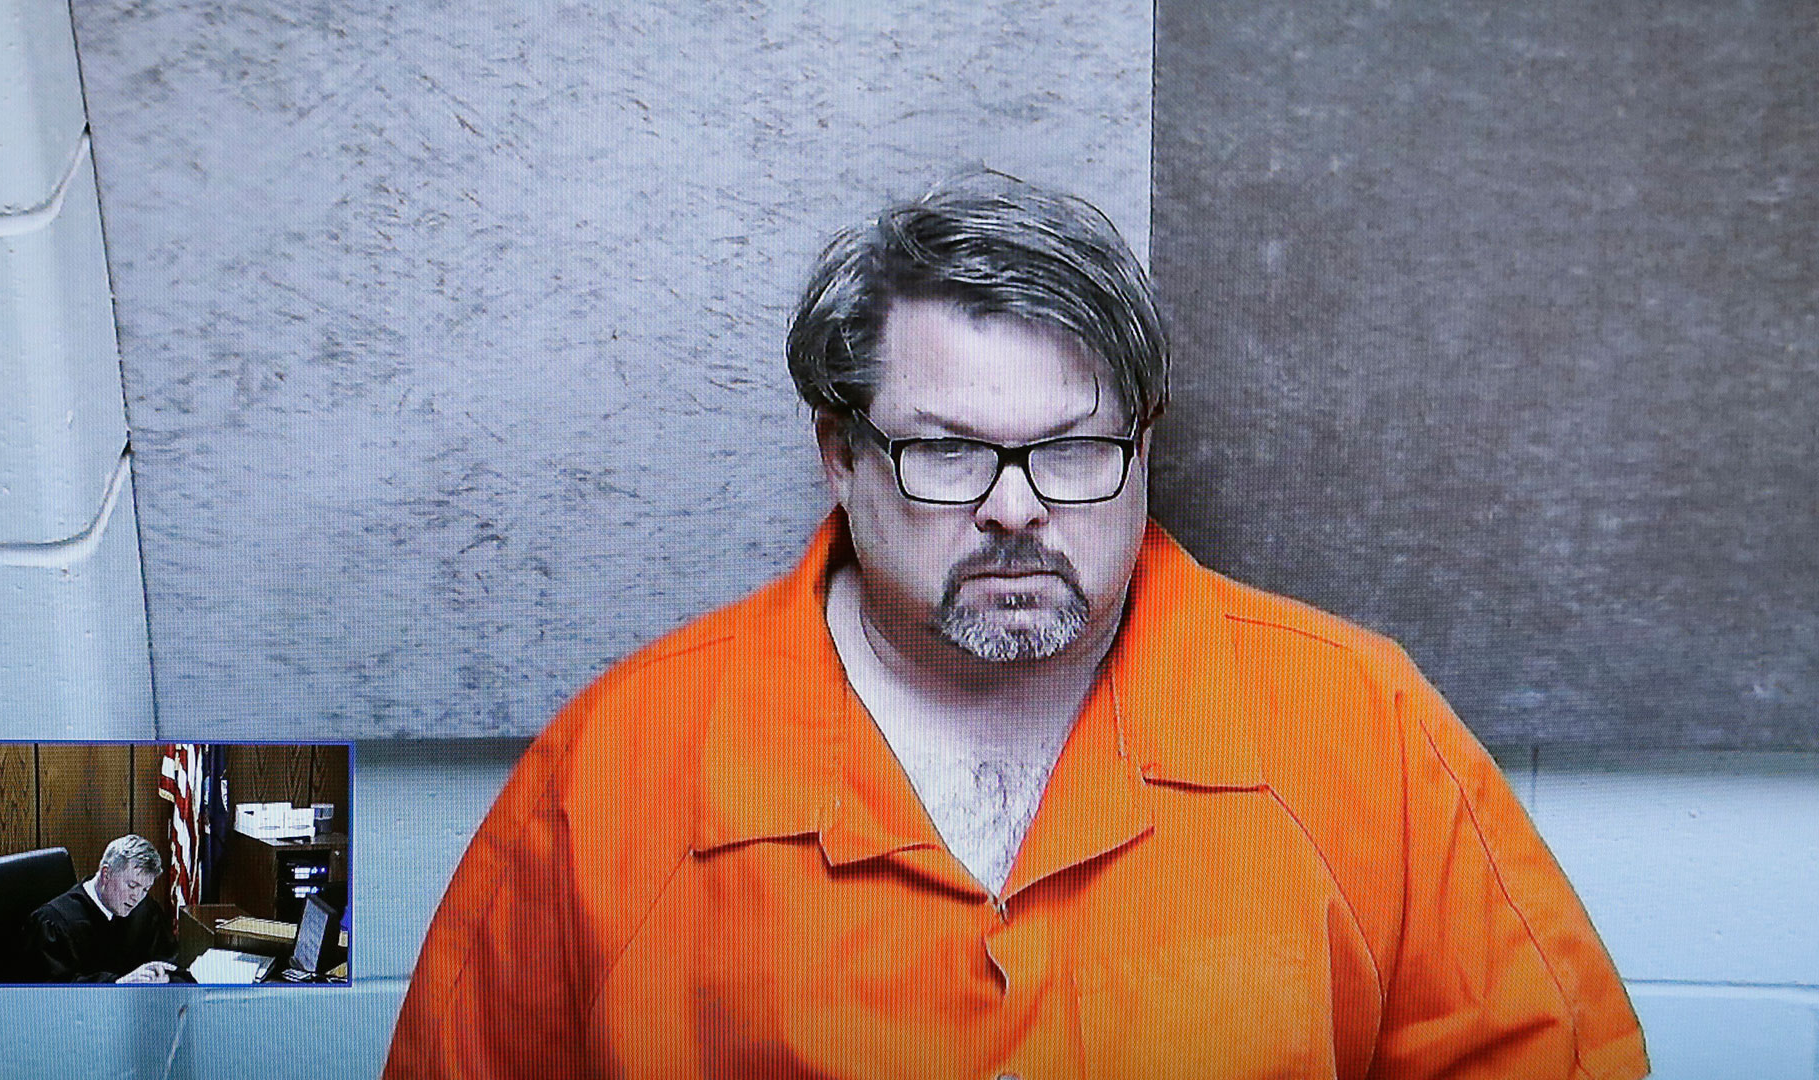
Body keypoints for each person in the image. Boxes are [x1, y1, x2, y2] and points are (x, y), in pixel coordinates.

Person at [385, 176, 1648, 1078]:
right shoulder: (617, 769)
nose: (1015, 509)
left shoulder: (1358, 724)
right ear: (840, 454)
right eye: (946, 452)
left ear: (1143, 446)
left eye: (1074, 449)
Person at [22, 833, 178, 983]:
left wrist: (164, 977)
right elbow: (51, 990)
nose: (136, 897)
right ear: (106, 874)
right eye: (132, 885)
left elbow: (170, 964)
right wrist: (117, 984)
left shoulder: (145, 911)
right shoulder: (53, 922)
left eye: (145, 889)